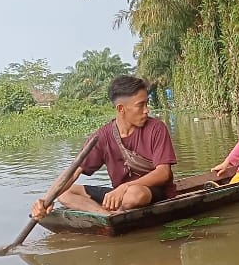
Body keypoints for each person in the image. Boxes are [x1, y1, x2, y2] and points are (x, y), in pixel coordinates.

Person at [31, 75, 177, 219]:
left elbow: (163, 173)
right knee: (64, 194)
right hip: (119, 195)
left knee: (134, 194)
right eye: (140, 105)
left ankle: (114, 212)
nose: (146, 110)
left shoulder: (156, 128)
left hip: (151, 193)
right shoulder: (102, 137)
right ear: (121, 109)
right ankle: (107, 216)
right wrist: (46, 200)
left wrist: (124, 187)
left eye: (147, 103)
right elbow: (73, 172)